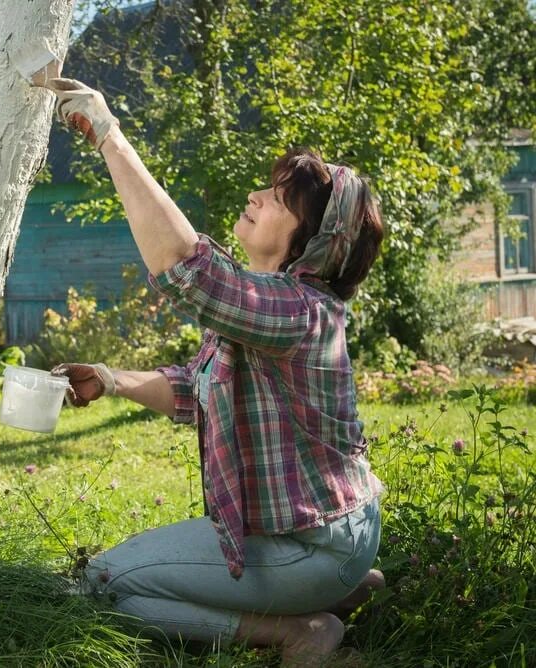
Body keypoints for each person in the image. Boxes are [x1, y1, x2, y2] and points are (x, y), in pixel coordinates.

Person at [43, 78, 386, 666]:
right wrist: (111, 376)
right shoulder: (271, 305)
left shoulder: (298, 310)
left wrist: (110, 136)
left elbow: (184, 266)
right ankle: (344, 583)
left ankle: (299, 629)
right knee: (117, 577)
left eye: (278, 199)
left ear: (314, 241)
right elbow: (194, 388)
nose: (256, 196)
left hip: (309, 543)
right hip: (327, 536)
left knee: (104, 585)